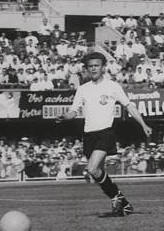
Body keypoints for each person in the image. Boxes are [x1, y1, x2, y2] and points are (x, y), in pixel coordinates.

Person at [57, 52, 153, 216]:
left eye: (96, 65)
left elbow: (129, 106)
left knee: (92, 168)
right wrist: (65, 117)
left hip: (105, 133)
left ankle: (117, 199)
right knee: (98, 174)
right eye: (90, 66)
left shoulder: (112, 86)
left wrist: (143, 124)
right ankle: (124, 204)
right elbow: (74, 111)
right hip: (88, 136)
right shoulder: (82, 89)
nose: (93, 68)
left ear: (102, 67)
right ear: (86, 69)